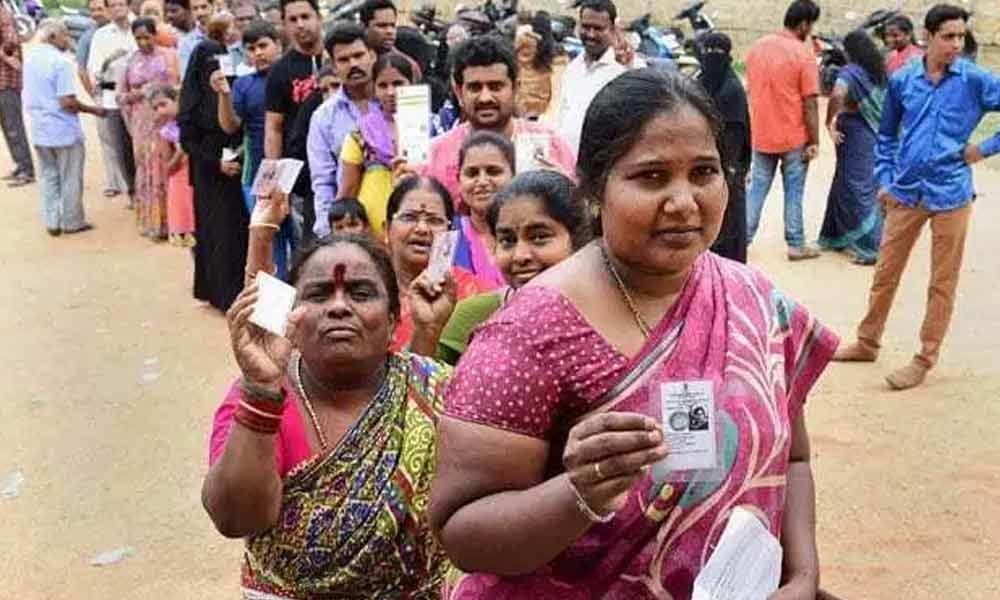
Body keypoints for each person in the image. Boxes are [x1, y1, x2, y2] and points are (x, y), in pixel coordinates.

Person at [428, 68, 839, 599]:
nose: (684, 201)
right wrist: (577, 494)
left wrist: (803, 575)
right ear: (595, 189)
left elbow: (795, 458)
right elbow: (463, 532)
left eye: (704, 172)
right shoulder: (527, 334)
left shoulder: (755, 300)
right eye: (651, 177)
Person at [203, 233, 453, 598]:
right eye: (318, 295)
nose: (338, 307)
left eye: (361, 293)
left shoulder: (435, 391)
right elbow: (235, 519)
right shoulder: (259, 396)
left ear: (393, 319)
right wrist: (261, 389)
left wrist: (428, 331)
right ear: (290, 316)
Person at [833, 4, 1000, 391]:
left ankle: (924, 358)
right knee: (885, 270)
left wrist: (985, 148)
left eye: (961, 36)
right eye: (948, 36)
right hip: (906, 190)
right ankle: (867, 341)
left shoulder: (974, 80)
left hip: (951, 192)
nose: (956, 44)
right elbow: (886, 135)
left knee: (942, 281)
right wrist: (885, 179)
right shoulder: (904, 80)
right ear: (928, 36)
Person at [437, 169, 591, 364]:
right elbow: (418, 390)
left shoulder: (611, 315)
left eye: (539, 237)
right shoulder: (473, 316)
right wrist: (428, 330)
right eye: (508, 241)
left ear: (579, 240)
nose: (520, 256)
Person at [419, 35, 575, 206]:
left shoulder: (552, 147)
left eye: (495, 87)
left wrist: (565, 189)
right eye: (475, 88)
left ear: (516, 88)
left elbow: (580, 214)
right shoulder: (435, 156)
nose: (485, 98)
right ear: (458, 92)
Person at [178, 11, 249, 311]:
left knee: (236, 234)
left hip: (236, 170)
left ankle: (236, 291)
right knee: (214, 234)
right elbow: (188, 140)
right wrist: (215, 164)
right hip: (209, 174)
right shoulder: (192, 98)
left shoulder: (231, 88)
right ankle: (220, 294)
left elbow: (238, 124)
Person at [745, 0, 822, 261]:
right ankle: (796, 244)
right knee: (794, 193)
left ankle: (741, 239)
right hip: (793, 137)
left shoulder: (757, 48)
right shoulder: (803, 54)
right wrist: (814, 140)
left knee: (756, 190)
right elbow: (810, 102)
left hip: (761, 135)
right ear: (804, 24)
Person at [383, 176, 495, 352]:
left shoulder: (476, 294)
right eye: (409, 217)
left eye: (434, 220)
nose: (422, 229)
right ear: (387, 229)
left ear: (450, 233)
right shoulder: (367, 292)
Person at [212, 20, 287, 272]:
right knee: (267, 239)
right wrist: (223, 94)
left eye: (263, 45)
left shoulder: (293, 76)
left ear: (278, 45)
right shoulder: (244, 85)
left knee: (299, 239)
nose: (258, 53)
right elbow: (230, 126)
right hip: (258, 174)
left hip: (294, 172)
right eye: (251, 48)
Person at [24, 19, 108, 236]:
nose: (67, 39)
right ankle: (72, 221)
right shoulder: (59, 62)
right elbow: (67, 102)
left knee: (49, 176)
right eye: (64, 35)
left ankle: (52, 220)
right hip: (61, 129)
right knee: (70, 176)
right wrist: (93, 110)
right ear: (53, 37)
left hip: (40, 129)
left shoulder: (31, 58)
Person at [819, 30, 887, 266]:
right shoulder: (875, 72)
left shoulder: (850, 73)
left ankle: (872, 247)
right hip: (871, 134)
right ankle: (836, 236)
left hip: (856, 133)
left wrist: (829, 120)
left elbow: (837, 93)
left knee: (857, 188)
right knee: (844, 184)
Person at [307, 22, 376, 237]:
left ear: (372, 55)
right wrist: (327, 234)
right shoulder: (323, 117)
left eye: (358, 55)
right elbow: (323, 182)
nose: (353, 64)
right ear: (334, 66)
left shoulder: (394, 103)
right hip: (349, 228)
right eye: (344, 60)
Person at [264, 0, 324, 242]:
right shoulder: (280, 71)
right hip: (302, 179)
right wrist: (275, 184)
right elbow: (274, 128)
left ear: (319, 17)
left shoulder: (340, 58)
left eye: (305, 16)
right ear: (284, 26)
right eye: (293, 19)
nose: (300, 24)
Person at [337, 52, 413, 237]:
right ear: (374, 89)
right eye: (383, 85)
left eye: (398, 84)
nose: (390, 92)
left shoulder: (431, 129)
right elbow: (348, 192)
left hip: (418, 229)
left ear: (412, 84)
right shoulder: (361, 133)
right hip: (372, 234)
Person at [117, 17, 180, 240]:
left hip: (165, 119)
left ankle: (173, 220)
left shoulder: (169, 56)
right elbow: (120, 96)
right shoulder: (129, 61)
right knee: (145, 166)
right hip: (142, 122)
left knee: (166, 165)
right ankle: (153, 221)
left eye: (147, 36)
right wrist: (135, 95)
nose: (143, 42)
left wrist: (159, 93)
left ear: (155, 35)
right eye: (138, 38)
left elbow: (178, 86)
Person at [698, 31, 750, 264]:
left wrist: (723, 170)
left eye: (717, 53)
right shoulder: (698, 84)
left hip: (726, 175)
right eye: (708, 52)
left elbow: (736, 138)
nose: (712, 58)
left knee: (728, 236)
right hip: (699, 172)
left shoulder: (732, 91)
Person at [554, 0, 627, 155]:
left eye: (598, 28)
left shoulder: (624, 70)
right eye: (586, 27)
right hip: (566, 163)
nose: (591, 34)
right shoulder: (573, 68)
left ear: (613, 29)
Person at [87, 0, 138, 209]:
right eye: (113, 5)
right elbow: (95, 74)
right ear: (107, 9)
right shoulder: (101, 36)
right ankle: (133, 193)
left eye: (120, 4)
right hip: (113, 100)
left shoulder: (140, 26)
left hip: (141, 100)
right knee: (122, 148)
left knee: (147, 148)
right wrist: (110, 60)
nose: (117, 9)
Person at [452, 132, 514, 287]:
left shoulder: (532, 235)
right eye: (472, 173)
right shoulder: (447, 236)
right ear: (458, 180)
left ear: (514, 175)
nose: (482, 181)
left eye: (493, 171)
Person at [150, 84, 195, 246]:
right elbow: (168, 167)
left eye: (164, 104)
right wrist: (181, 151)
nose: (161, 111)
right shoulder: (166, 132)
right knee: (191, 234)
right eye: (156, 108)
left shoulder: (193, 121)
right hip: (181, 183)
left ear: (177, 101)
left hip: (197, 179)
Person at [0, 0, 34, 187]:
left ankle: (26, 169)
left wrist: (4, 56)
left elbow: (11, 41)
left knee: (13, 125)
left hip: (7, 80)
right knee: (7, 125)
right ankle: (20, 165)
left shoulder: (3, 14)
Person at [514, 14, 567, 122]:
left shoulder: (525, 39)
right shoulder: (551, 46)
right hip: (543, 93)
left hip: (525, 90)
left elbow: (510, 52)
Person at [177, 0, 211, 76]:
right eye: (195, 9)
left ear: (212, 7)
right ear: (191, 13)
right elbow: (186, 74)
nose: (200, 13)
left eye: (204, 7)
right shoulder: (185, 42)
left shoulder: (224, 35)